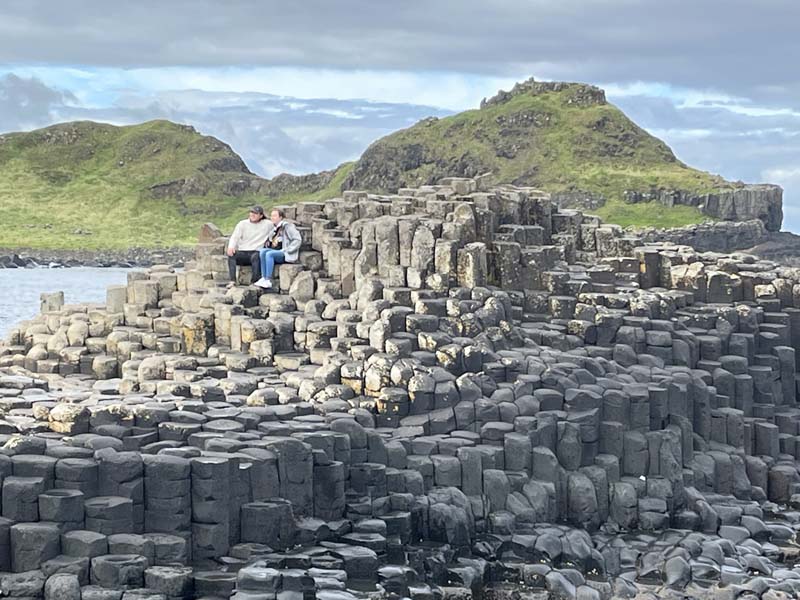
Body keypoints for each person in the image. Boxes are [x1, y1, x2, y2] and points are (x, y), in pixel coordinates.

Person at [255, 208, 302, 289]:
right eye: (271, 216)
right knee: (262, 251)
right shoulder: (274, 228)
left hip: (286, 253)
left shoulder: (287, 226)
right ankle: (263, 277)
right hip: (277, 250)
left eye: (275, 216)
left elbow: (297, 239)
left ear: (280, 217)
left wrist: (288, 249)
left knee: (269, 254)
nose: (272, 217)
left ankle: (268, 279)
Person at [226, 205, 271, 285]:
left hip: (256, 252)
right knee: (231, 255)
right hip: (243, 251)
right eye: (251, 212)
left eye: (256, 213)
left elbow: (276, 228)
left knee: (256, 256)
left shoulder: (267, 224)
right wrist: (231, 247)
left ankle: (254, 281)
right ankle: (232, 281)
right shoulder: (242, 224)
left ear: (261, 216)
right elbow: (235, 237)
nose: (253, 215)